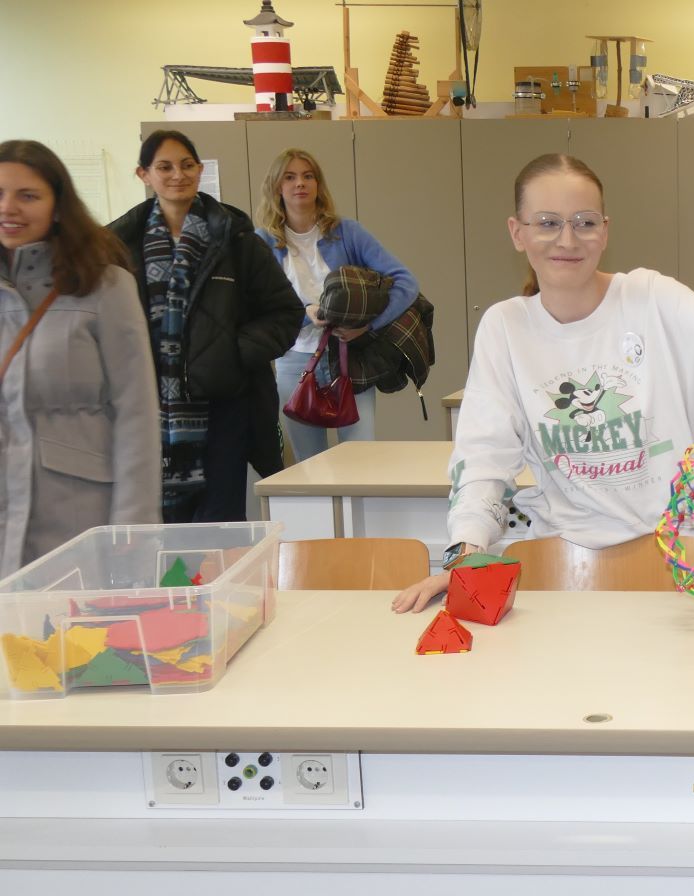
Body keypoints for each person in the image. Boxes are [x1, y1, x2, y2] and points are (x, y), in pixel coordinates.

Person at [392, 153, 694, 613]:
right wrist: (464, 551)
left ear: (605, 231)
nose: (567, 239)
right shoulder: (505, 326)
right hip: (560, 569)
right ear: (517, 232)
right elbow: (483, 461)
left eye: (585, 222)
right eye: (547, 223)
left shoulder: (649, 297)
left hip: (676, 564)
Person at [109, 130, 302, 523]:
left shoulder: (237, 239)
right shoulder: (118, 246)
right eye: (164, 167)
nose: (177, 175)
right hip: (147, 412)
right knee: (160, 532)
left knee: (220, 527)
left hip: (224, 407)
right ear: (144, 174)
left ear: (199, 169)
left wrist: (230, 355)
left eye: (186, 165)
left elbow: (285, 312)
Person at [0, 140, 160, 575]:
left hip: (80, 519)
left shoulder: (105, 287)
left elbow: (137, 413)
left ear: (58, 206)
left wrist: (134, 525)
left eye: (27, 195)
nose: (8, 207)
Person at [255, 148, 420, 460]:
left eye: (308, 176)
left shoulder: (346, 232)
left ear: (318, 184)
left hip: (348, 359)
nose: (299, 183)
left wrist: (368, 325)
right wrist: (305, 315)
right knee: (308, 465)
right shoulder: (263, 241)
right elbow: (256, 305)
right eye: (289, 177)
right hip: (294, 361)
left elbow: (406, 282)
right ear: (276, 186)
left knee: (360, 458)